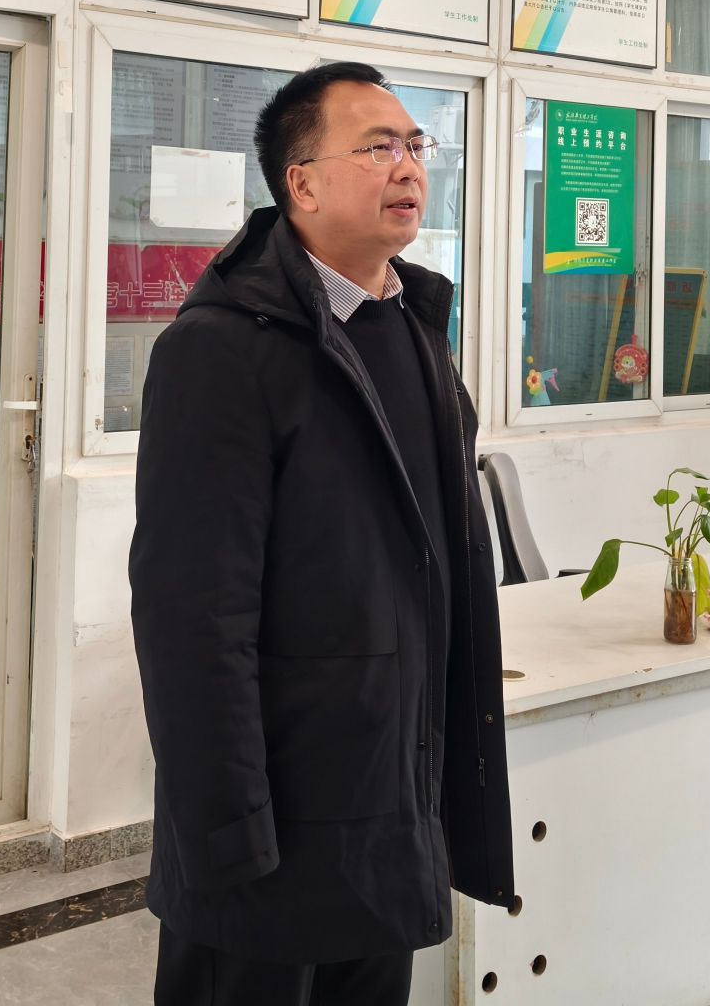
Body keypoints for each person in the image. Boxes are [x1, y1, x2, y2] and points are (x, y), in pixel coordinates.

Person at [129, 62, 514, 1006]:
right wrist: (226, 828)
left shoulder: (413, 326)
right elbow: (192, 614)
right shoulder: (221, 348)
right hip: (274, 811)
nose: (409, 166)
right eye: (378, 148)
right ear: (300, 183)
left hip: (390, 796)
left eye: (415, 145)